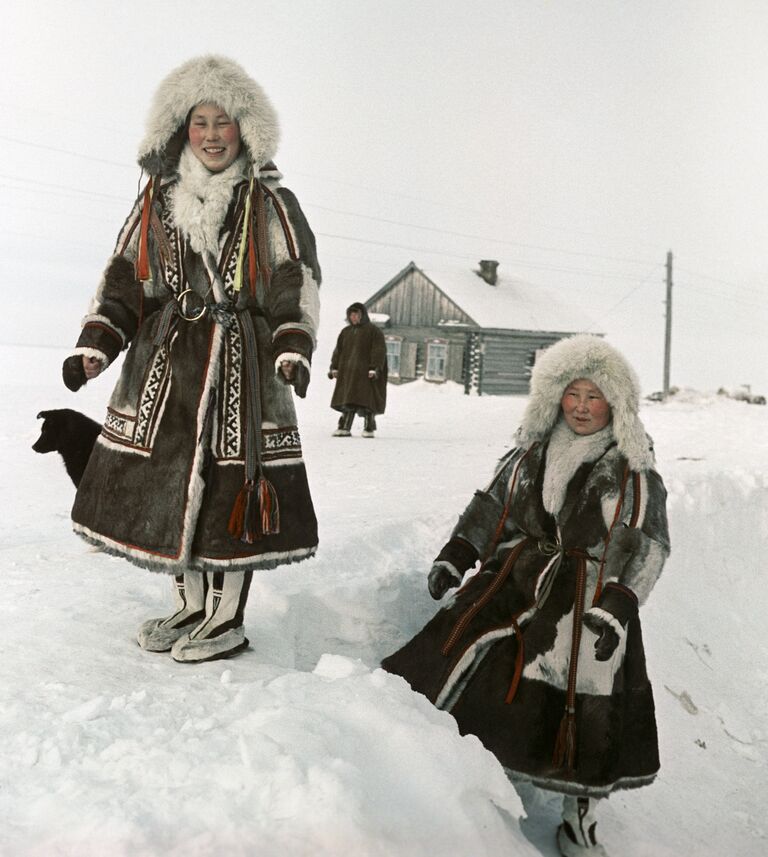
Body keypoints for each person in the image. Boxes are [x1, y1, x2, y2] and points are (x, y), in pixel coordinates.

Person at [61, 55, 321, 663]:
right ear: (180, 127)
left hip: (242, 367)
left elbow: (293, 278)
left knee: (234, 483)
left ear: (244, 130)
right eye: (200, 121)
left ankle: (227, 615)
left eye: (223, 122)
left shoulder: (271, 202)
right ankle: (191, 602)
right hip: (166, 364)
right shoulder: (156, 199)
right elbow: (126, 277)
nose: (211, 134)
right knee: (168, 480)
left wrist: (292, 345)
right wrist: (98, 343)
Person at [382, 335, 670, 856]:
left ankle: (579, 817)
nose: (581, 407)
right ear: (553, 394)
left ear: (616, 404)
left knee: (581, 699)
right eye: (572, 393)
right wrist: (457, 553)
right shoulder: (530, 450)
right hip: (518, 576)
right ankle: (450, 774)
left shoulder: (632, 470)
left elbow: (647, 547)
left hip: (588, 602)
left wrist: (620, 604)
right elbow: (494, 506)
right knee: (463, 650)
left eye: (595, 396)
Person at [328, 302, 387, 437]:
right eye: (351, 315)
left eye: (356, 315)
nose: (353, 317)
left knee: (367, 401)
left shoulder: (373, 331)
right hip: (348, 373)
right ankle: (344, 427)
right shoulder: (346, 332)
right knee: (348, 400)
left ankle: (368, 428)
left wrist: (374, 368)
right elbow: (338, 351)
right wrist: (334, 367)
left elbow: (379, 351)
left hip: (365, 373)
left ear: (363, 315)